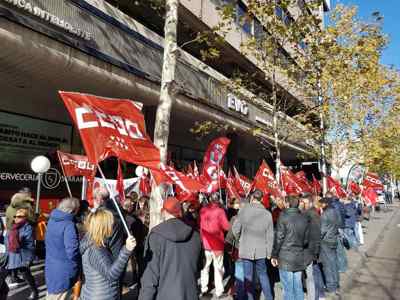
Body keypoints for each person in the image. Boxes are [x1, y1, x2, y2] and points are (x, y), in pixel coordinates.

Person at [139, 197, 202, 300]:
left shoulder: (156, 236)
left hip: (166, 295)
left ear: (164, 212)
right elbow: (199, 265)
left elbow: (150, 276)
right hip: (190, 294)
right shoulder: (195, 234)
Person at [80, 209, 136, 300]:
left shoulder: (95, 241)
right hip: (100, 296)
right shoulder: (95, 249)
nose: (112, 226)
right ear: (103, 226)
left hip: (99, 294)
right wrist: (126, 250)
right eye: (110, 223)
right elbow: (111, 275)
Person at [232, 189, 274, 300]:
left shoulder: (243, 210)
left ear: (252, 198)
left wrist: (240, 239)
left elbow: (235, 229)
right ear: (261, 199)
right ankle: (269, 298)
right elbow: (270, 236)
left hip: (246, 248)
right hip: (262, 250)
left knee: (248, 277)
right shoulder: (267, 214)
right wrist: (269, 252)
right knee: (263, 275)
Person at [271, 196, 309, 300]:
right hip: (298, 255)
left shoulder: (283, 216)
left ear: (287, 204)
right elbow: (306, 240)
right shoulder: (304, 217)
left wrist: (274, 255)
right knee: (297, 286)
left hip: (285, 256)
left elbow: (279, 238)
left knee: (288, 288)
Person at [45, 197, 81, 300]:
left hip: (51, 267)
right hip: (64, 271)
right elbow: (72, 252)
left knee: (52, 295)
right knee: (59, 296)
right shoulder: (68, 225)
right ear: (72, 211)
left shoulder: (52, 219)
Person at [199, 192, 230, 298]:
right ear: (218, 200)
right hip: (216, 243)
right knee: (218, 267)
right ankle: (219, 291)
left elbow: (201, 226)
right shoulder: (220, 211)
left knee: (206, 267)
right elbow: (226, 226)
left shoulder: (203, 210)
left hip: (206, 243)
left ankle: (203, 289)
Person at [6, 208, 38, 299]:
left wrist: (29, 259)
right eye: (15, 216)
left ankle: (34, 291)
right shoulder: (13, 227)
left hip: (22, 255)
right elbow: (6, 239)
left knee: (26, 274)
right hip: (11, 255)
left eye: (19, 216)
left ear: (25, 217)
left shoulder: (28, 228)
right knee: (3, 274)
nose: (16, 218)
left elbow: (30, 244)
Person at [300, 194, 324, 300]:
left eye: (304, 203)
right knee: (313, 275)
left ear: (309, 203)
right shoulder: (311, 213)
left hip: (309, 250)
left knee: (311, 277)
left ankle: (314, 296)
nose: (302, 205)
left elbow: (315, 234)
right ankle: (318, 295)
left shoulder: (310, 215)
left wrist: (315, 251)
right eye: (302, 202)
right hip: (312, 250)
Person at [319, 197, 342, 297]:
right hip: (334, 239)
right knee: (334, 262)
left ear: (325, 204)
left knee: (327, 265)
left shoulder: (325, 214)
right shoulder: (335, 212)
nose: (320, 205)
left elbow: (322, 231)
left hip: (326, 242)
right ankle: (336, 283)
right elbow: (340, 223)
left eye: (321, 204)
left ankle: (330, 286)